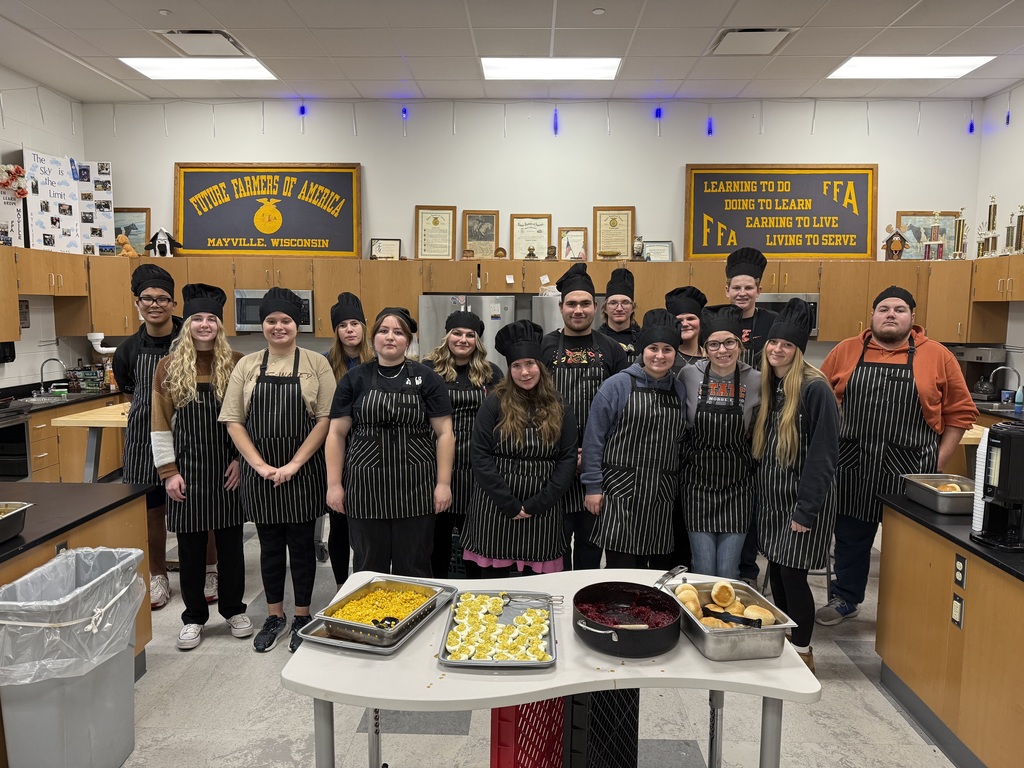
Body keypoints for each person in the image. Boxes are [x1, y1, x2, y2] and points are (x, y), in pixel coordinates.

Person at [815, 286, 978, 626]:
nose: (891, 314)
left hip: (911, 471)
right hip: (851, 466)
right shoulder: (845, 351)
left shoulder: (938, 355)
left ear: (912, 318)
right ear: (872, 316)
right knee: (850, 539)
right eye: (884, 308)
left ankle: (908, 609)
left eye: (899, 309)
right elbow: (817, 405)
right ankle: (845, 598)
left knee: (909, 547)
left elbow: (960, 413)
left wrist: (937, 466)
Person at [220, 287, 335, 653]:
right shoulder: (247, 365)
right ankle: (274, 616)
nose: (278, 326)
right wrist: (261, 466)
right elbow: (234, 420)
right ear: (262, 325)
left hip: (303, 470)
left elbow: (325, 419)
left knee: (301, 547)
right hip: (261, 474)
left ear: (297, 325)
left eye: (286, 320)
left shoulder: (317, 363)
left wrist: (294, 464)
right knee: (269, 549)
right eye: (271, 320)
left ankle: (302, 615)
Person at [152, 284, 251, 650]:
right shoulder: (168, 366)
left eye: (212, 319)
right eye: (198, 318)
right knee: (191, 551)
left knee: (231, 548)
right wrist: (168, 471)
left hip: (228, 470)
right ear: (187, 324)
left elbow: (249, 420)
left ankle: (234, 610)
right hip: (187, 472)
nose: (205, 325)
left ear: (220, 325)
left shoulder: (238, 362)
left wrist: (242, 460)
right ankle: (194, 618)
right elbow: (160, 423)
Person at [326, 307, 455, 578]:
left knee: (416, 565)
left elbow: (444, 433)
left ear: (408, 341)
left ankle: (419, 619)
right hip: (365, 488)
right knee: (368, 567)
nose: (390, 337)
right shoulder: (354, 379)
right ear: (373, 338)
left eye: (398, 332)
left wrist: (443, 484)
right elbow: (336, 434)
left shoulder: (428, 378)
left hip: (416, 487)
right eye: (383, 331)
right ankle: (371, 620)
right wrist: (334, 485)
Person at [751, 299, 839, 673]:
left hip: (803, 501)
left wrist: (806, 509)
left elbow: (823, 455)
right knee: (779, 570)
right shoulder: (774, 385)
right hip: (774, 499)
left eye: (786, 345)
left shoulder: (815, 388)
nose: (777, 349)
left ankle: (803, 651)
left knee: (793, 574)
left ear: (798, 350)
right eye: (773, 343)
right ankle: (788, 639)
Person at [460, 320, 577, 576]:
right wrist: (509, 503)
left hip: (543, 510)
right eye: (516, 366)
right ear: (509, 369)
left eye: (530, 364)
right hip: (495, 507)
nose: (524, 372)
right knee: (491, 590)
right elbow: (480, 455)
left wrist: (536, 504)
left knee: (536, 592)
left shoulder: (561, 406)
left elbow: (567, 460)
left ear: (541, 367)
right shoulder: (494, 402)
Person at [582, 309, 688, 569]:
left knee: (655, 569)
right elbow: (594, 439)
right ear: (642, 351)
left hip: (660, 493)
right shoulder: (617, 385)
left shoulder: (679, 389)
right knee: (621, 566)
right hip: (620, 490)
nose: (660, 356)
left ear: (676, 354)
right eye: (653, 348)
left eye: (667, 350)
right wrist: (593, 487)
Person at [541, 263, 628, 570]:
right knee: (555, 544)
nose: (578, 310)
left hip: (599, 463)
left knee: (592, 545)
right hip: (552, 460)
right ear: (561, 306)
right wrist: (564, 453)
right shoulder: (545, 347)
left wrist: (590, 455)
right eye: (571, 304)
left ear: (596, 306)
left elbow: (623, 409)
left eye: (585, 304)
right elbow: (533, 404)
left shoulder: (612, 349)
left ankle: (586, 604)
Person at [114, 263, 185, 610]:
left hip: (190, 433)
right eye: (147, 298)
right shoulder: (126, 351)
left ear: (173, 303)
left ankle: (208, 570)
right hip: (144, 439)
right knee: (151, 511)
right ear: (137, 303)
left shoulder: (192, 337)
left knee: (201, 506)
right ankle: (158, 576)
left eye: (162, 299)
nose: (155, 304)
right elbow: (133, 394)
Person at [678, 305, 761, 579]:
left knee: (727, 570)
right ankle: (701, 622)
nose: (722, 350)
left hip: (737, 485)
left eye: (729, 342)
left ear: (740, 344)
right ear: (704, 348)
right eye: (713, 344)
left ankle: (725, 623)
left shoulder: (757, 380)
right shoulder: (688, 376)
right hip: (697, 484)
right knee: (702, 568)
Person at [422, 310, 504, 579]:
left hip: (476, 467)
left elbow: (501, 418)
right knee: (437, 540)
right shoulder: (427, 369)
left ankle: (474, 597)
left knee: (474, 541)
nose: (463, 339)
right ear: (447, 336)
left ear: (477, 341)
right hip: (436, 466)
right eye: (457, 333)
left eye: (470, 335)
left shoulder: (492, 373)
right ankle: (438, 592)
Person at [724, 247, 779, 587]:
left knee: (753, 498)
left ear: (759, 289)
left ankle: (747, 569)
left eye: (749, 287)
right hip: (724, 421)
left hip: (765, 420)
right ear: (726, 290)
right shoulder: (712, 319)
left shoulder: (773, 323)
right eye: (736, 287)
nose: (742, 293)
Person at [323, 292, 374, 589]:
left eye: (355, 323)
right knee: (339, 523)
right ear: (336, 331)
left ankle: (363, 581)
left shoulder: (380, 361)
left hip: (369, 454)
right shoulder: (325, 364)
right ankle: (343, 585)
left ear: (364, 327)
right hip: (337, 453)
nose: (349, 330)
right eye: (343, 325)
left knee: (365, 526)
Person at [598, 268, 640, 363]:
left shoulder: (643, 338)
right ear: (605, 308)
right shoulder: (595, 339)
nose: (619, 308)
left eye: (625, 302)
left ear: (633, 307)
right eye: (613, 303)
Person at [665, 286, 707, 371]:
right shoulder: (662, 355)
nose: (684, 324)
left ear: (700, 321)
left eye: (690, 318)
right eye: (679, 320)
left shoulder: (711, 357)